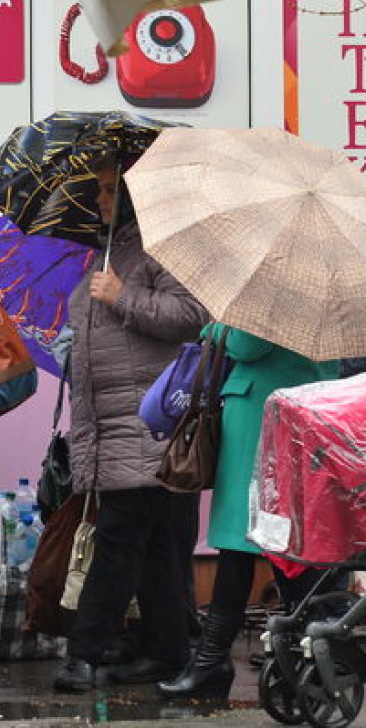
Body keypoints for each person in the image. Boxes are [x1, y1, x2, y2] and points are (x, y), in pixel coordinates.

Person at [52, 157, 211, 693]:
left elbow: (191, 314)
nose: (98, 200)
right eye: (96, 190)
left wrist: (122, 296)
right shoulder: (109, 249)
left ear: (132, 193)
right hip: (113, 425)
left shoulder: (162, 249)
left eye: (106, 190)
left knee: (119, 541)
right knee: (157, 549)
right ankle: (167, 653)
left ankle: (82, 651)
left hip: (150, 424)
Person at [157, 324, 339, 700]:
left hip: (261, 414)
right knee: (274, 544)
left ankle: (214, 662)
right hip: (289, 409)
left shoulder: (276, 284)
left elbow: (245, 345)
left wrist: (216, 323)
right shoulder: (315, 286)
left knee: (245, 542)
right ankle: (298, 656)